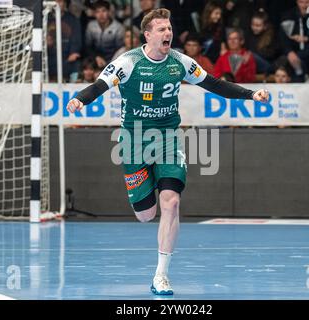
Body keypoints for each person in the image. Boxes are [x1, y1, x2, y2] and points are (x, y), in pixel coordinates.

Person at [66, 8, 269, 296]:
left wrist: (250, 94)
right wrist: (80, 99)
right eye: (161, 29)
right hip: (134, 140)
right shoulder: (128, 62)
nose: (168, 33)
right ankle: (144, 205)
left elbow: (214, 84)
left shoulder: (180, 62)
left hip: (168, 138)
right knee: (146, 215)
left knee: (171, 202)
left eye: (169, 28)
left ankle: (161, 275)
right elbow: (100, 85)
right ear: (147, 35)